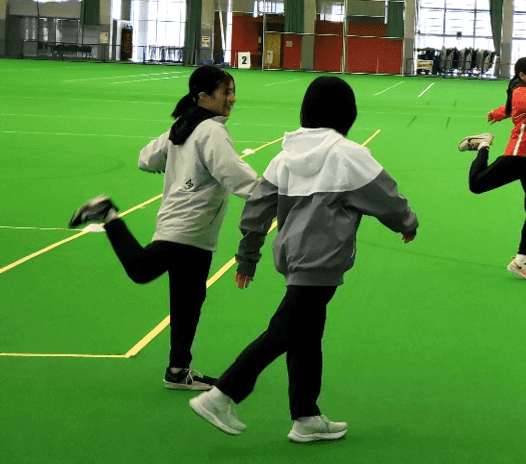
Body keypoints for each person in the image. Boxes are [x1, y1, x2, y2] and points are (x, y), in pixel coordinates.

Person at [188, 76, 418, 442]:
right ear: (347, 114)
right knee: (286, 330)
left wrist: (248, 256)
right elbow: (387, 198)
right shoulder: (349, 155)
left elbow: (257, 209)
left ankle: (306, 416)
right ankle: (222, 394)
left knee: (307, 335)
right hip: (323, 263)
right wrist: (407, 224)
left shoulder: (284, 156)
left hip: (292, 258)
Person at [68, 66, 259, 390]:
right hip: (187, 226)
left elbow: (146, 159)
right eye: (226, 92)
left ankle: (178, 370)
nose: (232, 98)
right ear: (203, 97)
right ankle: (108, 215)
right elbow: (234, 174)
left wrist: (180, 166)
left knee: (189, 300)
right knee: (142, 270)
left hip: (195, 230)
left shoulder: (184, 125)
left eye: (232, 91)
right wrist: (274, 198)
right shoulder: (210, 130)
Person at [458, 56, 526, 281]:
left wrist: (499, 113)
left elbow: (517, 108)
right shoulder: (521, 90)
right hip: (520, 155)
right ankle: (483, 145)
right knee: (477, 185)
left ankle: (520, 260)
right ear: (522, 75)